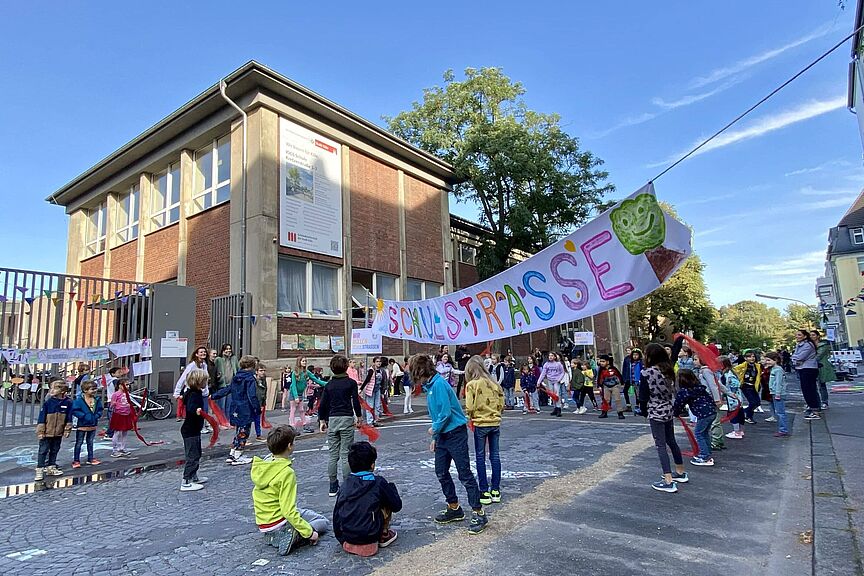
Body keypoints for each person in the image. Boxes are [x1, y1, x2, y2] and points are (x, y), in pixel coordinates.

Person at [409, 354, 488, 535]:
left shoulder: (438, 385)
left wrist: (434, 430)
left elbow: (444, 413)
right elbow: (438, 414)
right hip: (444, 435)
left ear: (420, 371)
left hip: (455, 434)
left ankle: (479, 512)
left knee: (464, 473)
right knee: (441, 471)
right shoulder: (431, 386)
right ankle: (454, 507)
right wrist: (436, 438)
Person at [252, 425, 329, 555]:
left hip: (264, 522)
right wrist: (309, 533)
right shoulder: (286, 473)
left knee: (306, 514)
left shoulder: (264, 464)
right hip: (279, 520)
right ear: (289, 446)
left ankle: (278, 534)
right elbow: (288, 510)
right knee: (323, 522)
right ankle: (295, 535)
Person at [333, 441, 402, 557]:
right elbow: (397, 506)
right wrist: (391, 488)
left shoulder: (345, 485)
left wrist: (342, 539)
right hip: (370, 535)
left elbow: (336, 515)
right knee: (385, 499)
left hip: (347, 537)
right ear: (372, 465)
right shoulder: (378, 482)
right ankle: (384, 534)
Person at [638, 343, 688, 493]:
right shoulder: (668, 369)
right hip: (668, 408)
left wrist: (644, 412)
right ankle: (680, 472)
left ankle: (668, 480)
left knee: (660, 445)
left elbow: (643, 397)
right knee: (671, 441)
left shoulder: (646, 373)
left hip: (655, 410)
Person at [319, 354, 363, 497]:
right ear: (346, 367)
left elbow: (323, 404)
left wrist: (322, 420)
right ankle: (347, 485)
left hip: (333, 419)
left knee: (333, 455)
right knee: (345, 454)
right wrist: (359, 416)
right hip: (346, 418)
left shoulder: (329, 385)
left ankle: (332, 485)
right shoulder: (350, 383)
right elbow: (355, 401)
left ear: (332, 368)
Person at [464, 355, 504, 506]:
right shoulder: (494, 383)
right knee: (495, 456)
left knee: (480, 456)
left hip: (481, 423)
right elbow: (502, 402)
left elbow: (470, 406)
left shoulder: (472, 385)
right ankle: (495, 489)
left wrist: (470, 416)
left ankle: (484, 490)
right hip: (495, 422)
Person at [212, 355, 260, 465]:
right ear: (252, 365)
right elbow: (251, 395)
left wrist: (215, 395)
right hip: (245, 408)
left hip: (235, 408)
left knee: (238, 431)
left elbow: (228, 389)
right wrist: (257, 408)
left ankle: (232, 453)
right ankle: (238, 455)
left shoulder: (236, 377)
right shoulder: (249, 378)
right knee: (244, 432)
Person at [674, 369, 718, 466]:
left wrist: (675, 413)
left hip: (703, 414)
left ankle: (705, 456)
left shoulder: (685, 391)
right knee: (705, 433)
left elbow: (679, 403)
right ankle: (707, 453)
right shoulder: (699, 388)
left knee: (699, 434)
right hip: (712, 412)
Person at [34, 380, 73, 480]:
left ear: (62, 390)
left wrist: (67, 429)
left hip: (58, 432)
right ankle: (40, 469)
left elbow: (69, 417)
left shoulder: (68, 402)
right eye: (51, 388)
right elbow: (41, 417)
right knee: (43, 450)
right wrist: (41, 431)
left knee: (55, 449)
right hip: (47, 431)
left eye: (55, 388)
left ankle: (51, 466)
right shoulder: (48, 402)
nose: (52, 390)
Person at [180, 369, 208, 491]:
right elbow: (191, 407)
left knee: (197, 453)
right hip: (190, 430)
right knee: (192, 455)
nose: (206, 382)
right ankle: (185, 481)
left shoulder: (194, 392)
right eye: (205, 380)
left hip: (194, 429)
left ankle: (193, 476)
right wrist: (197, 410)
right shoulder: (193, 394)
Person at [173, 346, 211, 433]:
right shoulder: (192, 365)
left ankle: (204, 425)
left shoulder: (204, 365)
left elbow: (205, 379)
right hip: (194, 392)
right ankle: (200, 427)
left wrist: (207, 391)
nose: (203, 353)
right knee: (196, 410)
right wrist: (177, 392)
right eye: (201, 352)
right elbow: (183, 379)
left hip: (203, 393)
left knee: (205, 410)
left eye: (204, 352)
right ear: (196, 354)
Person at [693, 354, 727, 451]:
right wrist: (728, 392)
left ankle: (716, 441)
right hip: (711, 399)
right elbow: (717, 384)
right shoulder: (706, 370)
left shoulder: (705, 371)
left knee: (715, 421)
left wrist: (717, 399)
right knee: (715, 420)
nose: (694, 361)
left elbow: (714, 386)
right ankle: (718, 440)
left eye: (696, 359)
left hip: (710, 399)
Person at [287, 357, 326, 433]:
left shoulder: (306, 372)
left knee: (301, 410)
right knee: (293, 410)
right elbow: (294, 385)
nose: (304, 362)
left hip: (301, 393)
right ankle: (292, 427)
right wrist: (295, 397)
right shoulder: (294, 372)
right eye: (303, 361)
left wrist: (326, 384)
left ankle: (305, 425)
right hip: (294, 393)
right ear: (299, 362)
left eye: (305, 361)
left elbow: (316, 379)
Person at [71, 380, 103, 468]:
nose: (94, 391)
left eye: (95, 389)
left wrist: (96, 416)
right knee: (79, 442)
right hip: (82, 425)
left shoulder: (96, 400)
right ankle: (76, 460)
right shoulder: (79, 401)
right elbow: (75, 410)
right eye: (92, 389)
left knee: (90, 442)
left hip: (93, 424)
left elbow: (100, 409)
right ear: (85, 390)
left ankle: (90, 458)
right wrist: (84, 416)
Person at [792, 330, 821, 420]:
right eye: (796, 335)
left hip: (808, 369)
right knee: (808, 390)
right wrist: (795, 358)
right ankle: (813, 407)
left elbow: (799, 357)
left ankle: (815, 411)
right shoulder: (800, 345)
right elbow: (796, 357)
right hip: (803, 368)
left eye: (799, 335)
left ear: (805, 336)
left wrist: (794, 358)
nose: (797, 336)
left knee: (809, 390)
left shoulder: (808, 345)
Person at [762, 352, 789, 437]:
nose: (767, 362)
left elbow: (779, 383)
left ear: (775, 360)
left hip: (778, 393)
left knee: (780, 412)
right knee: (779, 411)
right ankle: (782, 429)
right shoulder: (773, 369)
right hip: (774, 392)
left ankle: (783, 429)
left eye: (769, 360)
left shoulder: (778, 370)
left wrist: (777, 393)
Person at [733, 351, 762, 425]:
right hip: (746, 386)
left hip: (754, 386)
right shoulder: (742, 366)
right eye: (749, 357)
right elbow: (734, 370)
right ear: (745, 358)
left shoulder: (757, 366)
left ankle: (748, 416)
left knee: (757, 402)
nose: (752, 358)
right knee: (752, 402)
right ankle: (746, 413)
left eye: (753, 356)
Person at [721, 356, 746, 439]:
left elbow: (735, 384)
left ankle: (737, 432)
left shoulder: (728, 375)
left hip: (733, 398)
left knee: (734, 415)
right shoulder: (731, 372)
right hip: (736, 398)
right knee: (739, 414)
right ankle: (740, 430)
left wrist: (730, 392)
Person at [537, 352, 567, 417]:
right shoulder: (546, 364)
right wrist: (539, 381)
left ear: (555, 357)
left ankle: (559, 408)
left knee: (556, 395)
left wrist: (559, 379)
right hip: (550, 381)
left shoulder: (558, 364)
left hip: (556, 381)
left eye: (552, 355)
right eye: (549, 356)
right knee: (552, 395)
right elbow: (543, 373)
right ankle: (555, 408)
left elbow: (562, 372)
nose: (550, 357)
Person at [811, 330, 835, 410]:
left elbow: (819, 356)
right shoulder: (810, 345)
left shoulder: (823, 345)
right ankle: (815, 402)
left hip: (821, 366)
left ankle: (824, 402)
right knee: (813, 386)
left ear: (818, 336)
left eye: (813, 335)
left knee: (821, 385)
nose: (811, 337)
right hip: (812, 366)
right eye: (810, 335)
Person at [362, 357, 388, 426]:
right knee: (370, 406)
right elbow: (367, 380)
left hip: (377, 389)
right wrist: (361, 389)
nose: (379, 363)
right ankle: (370, 421)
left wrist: (383, 391)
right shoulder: (371, 370)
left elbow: (383, 381)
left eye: (379, 361)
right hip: (371, 390)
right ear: (374, 362)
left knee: (377, 406)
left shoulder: (381, 371)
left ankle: (375, 420)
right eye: (377, 361)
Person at [597, 355, 625, 420]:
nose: (601, 363)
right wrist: (599, 385)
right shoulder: (601, 370)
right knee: (606, 400)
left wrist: (622, 383)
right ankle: (604, 412)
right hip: (606, 386)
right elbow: (599, 378)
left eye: (603, 361)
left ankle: (620, 413)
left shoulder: (613, 369)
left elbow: (619, 375)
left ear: (608, 362)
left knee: (617, 399)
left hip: (615, 386)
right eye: (600, 361)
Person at [215, 344, 239, 416]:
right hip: (222, 385)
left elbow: (237, 369)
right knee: (221, 405)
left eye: (230, 349)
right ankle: (221, 421)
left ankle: (227, 421)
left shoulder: (233, 359)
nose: (228, 350)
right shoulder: (219, 359)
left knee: (229, 405)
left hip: (231, 385)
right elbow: (214, 370)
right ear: (223, 350)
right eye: (226, 349)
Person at [625, 349, 643, 413]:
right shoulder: (630, 363)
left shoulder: (641, 362)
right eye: (634, 355)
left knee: (639, 394)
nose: (635, 356)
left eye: (636, 355)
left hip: (639, 380)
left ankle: (641, 406)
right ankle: (637, 406)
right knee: (636, 394)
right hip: (632, 380)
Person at [254, 363, 268, 441]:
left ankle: (258, 435)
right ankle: (245, 437)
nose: (262, 372)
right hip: (252, 402)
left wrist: (263, 403)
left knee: (257, 419)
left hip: (260, 402)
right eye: (260, 370)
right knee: (247, 421)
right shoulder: (252, 380)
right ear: (256, 372)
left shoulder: (263, 379)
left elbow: (265, 391)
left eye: (264, 370)